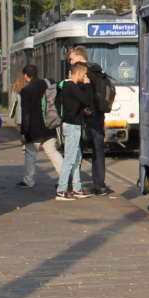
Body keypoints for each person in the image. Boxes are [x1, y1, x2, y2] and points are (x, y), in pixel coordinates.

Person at [68, 46, 111, 196]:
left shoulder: (83, 73)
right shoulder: (99, 72)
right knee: (98, 151)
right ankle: (100, 185)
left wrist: (83, 108)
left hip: (85, 118)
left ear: (79, 58)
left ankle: (73, 183)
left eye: (72, 59)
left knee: (76, 150)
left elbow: (81, 96)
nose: (70, 62)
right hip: (99, 116)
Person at [16, 64, 63, 189]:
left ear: (25, 76)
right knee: (52, 152)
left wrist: (23, 132)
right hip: (49, 125)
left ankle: (28, 180)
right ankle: (65, 176)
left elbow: (26, 114)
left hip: (34, 129)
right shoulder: (47, 85)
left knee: (30, 154)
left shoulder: (26, 90)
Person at [56, 62, 94, 201]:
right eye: (84, 74)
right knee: (70, 159)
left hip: (73, 125)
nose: (85, 77)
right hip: (72, 126)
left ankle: (77, 187)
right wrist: (88, 85)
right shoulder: (72, 87)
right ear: (78, 73)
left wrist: (82, 109)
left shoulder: (67, 86)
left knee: (77, 158)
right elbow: (87, 100)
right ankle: (61, 189)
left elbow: (76, 103)